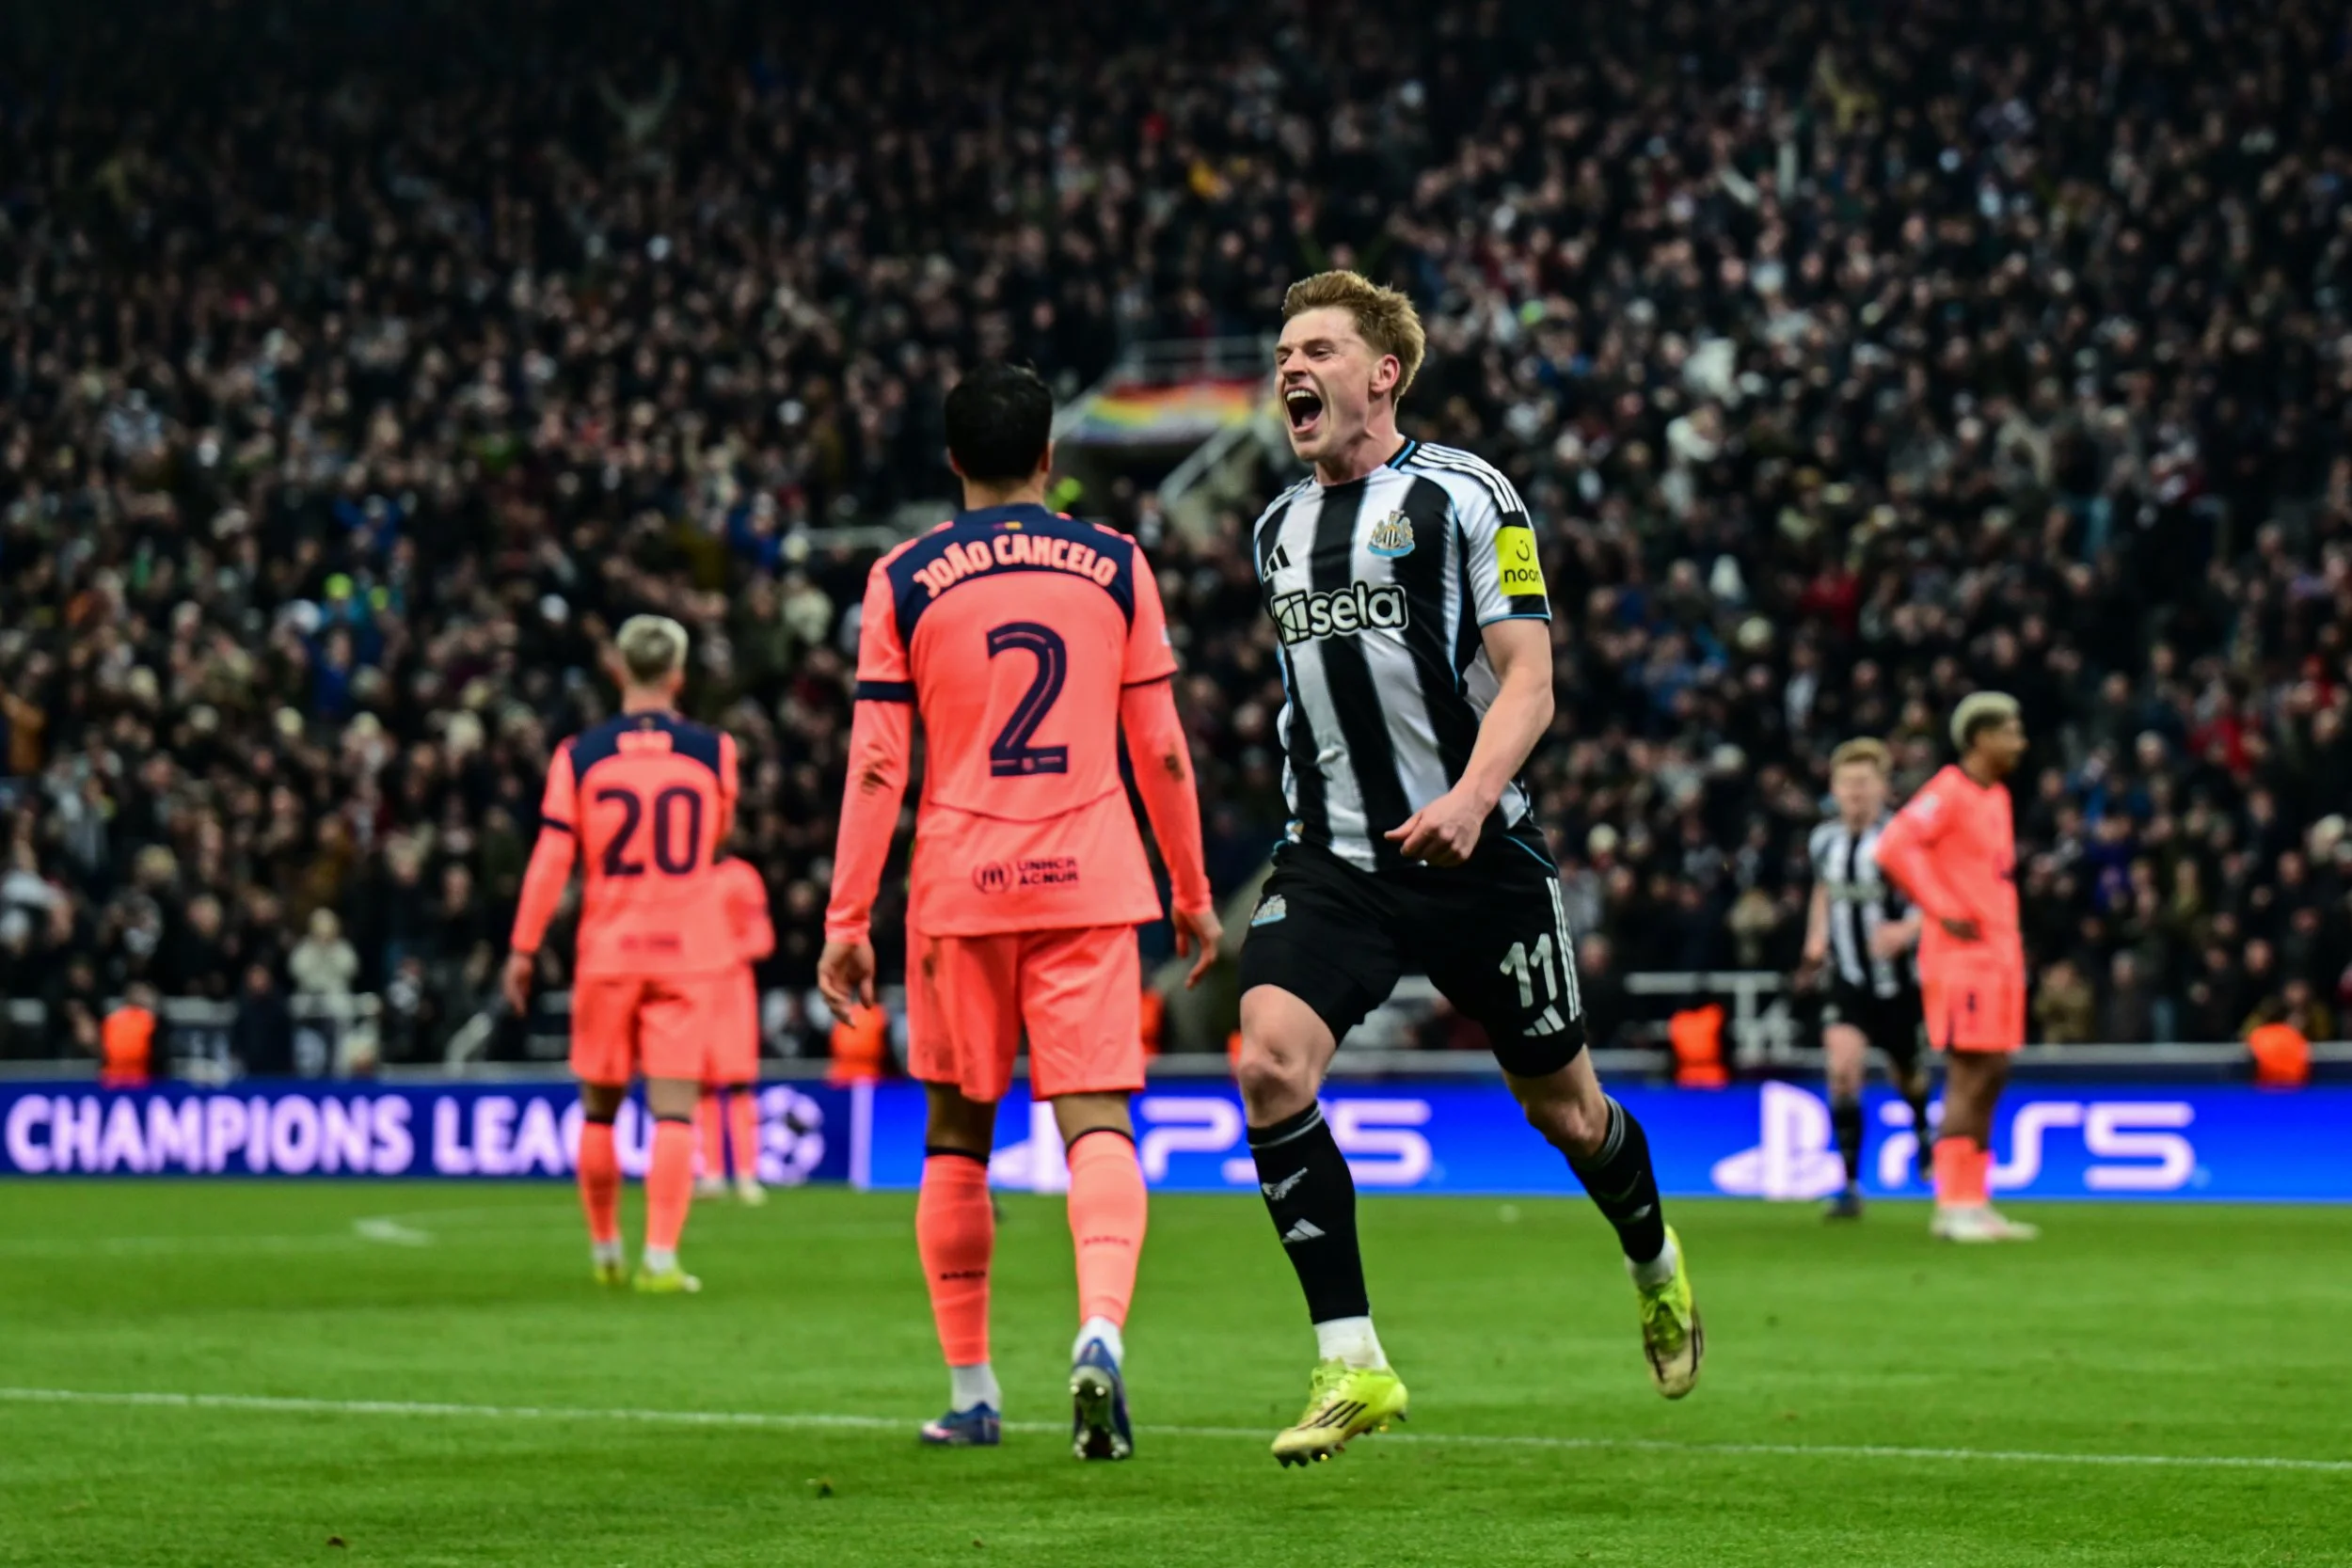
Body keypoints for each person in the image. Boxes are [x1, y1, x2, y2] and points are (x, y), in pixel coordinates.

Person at [1233, 271, 1698, 1468]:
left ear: (1381, 373)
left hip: (1478, 853)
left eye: (1319, 346)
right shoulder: (1275, 528)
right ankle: (1352, 1360)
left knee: (1565, 1110)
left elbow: (1528, 678)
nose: (1294, 365)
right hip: (1336, 856)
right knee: (1268, 1060)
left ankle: (1652, 1259)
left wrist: (1468, 797)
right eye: (1284, 347)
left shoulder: (1466, 495)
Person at [818, 362, 1220, 1461]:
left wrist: (846, 916)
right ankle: (1098, 1329)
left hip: (959, 884)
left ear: (951, 461)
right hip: (1089, 880)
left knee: (958, 1133)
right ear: (1052, 456)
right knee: (1096, 1120)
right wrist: (1189, 890)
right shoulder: (1116, 564)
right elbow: (1163, 749)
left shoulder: (901, 576)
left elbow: (874, 764)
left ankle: (974, 1389)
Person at [502, 615, 740, 1291]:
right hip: (687, 946)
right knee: (673, 1109)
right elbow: (718, 833)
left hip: (608, 945)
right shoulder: (713, 751)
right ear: (678, 676)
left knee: (600, 1108)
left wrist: (524, 947)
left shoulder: (579, 754)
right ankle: (660, 1258)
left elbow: (553, 858)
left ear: (618, 670)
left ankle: (606, 1249)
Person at [1872, 693, 2038, 1243]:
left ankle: (1975, 1197)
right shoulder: (1949, 791)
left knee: (1993, 1071)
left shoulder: (1996, 797)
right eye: (2009, 731)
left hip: (1998, 956)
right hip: (1961, 958)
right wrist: (1941, 907)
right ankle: (1951, 1203)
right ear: (1978, 739)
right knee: (1968, 1072)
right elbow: (1894, 845)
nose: (2020, 741)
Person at [1798, 738, 1931, 1219]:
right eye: (1847, 783)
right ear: (1834, 788)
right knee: (1842, 1069)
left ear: (1882, 789)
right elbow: (1823, 890)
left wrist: (1906, 930)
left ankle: (1922, 1130)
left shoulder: (1901, 840)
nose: (1855, 793)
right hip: (1848, 977)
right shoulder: (1824, 841)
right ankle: (1850, 1184)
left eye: (1864, 783)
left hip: (1898, 982)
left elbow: (1934, 898)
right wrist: (1815, 938)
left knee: (1907, 1075)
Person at [696, 854, 775, 1205]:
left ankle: (747, 1174)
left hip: (731, 990)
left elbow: (762, 938)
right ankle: (711, 1175)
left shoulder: (742, 876)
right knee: (703, 1086)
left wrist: (722, 953)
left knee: (739, 1081)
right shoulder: (685, 874)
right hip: (694, 990)